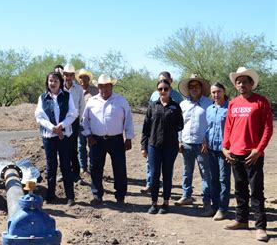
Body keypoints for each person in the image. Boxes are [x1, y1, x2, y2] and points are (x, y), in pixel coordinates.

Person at [222, 67, 273, 242]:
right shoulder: (233, 103)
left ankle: (260, 226)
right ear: (235, 85)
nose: (241, 84)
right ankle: (242, 220)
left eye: (245, 81)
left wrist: (259, 149)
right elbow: (228, 127)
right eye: (238, 82)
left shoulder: (261, 102)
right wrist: (225, 147)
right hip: (235, 153)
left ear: (252, 83)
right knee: (239, 189)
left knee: (256, 191)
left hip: (253, 154)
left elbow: (268, 128)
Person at [82, 74, 134, 205]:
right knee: (95, 168)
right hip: (96, 140)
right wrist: (89, 136)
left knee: (119, 168)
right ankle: (97, 195)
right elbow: (84, 121)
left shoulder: (121, 101)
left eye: (106, 86)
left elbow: (128, 120)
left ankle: (120, 196)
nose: (104, 89)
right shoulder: (91, 102)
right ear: (97, 87)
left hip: (116, 140)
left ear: (111, 86)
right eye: (101, 86)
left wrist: (128, 138)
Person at [35, 71, 78, 206]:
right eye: (50, 81)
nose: (52, 83)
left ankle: (70, 196)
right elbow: (39, 116)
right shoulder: (42, 98)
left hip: (64, 136)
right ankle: (50, 195)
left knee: (65, 165)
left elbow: (73, 113)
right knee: (51, 165)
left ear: (60, 82)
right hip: (49, 136)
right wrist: (52, 127)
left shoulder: (67, 96)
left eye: (55, 81)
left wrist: (61, 125)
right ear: (47, 83)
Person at [141, 78, 183, 214]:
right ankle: (154, 203)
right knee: (154, 175)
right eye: (160, 89)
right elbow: (145, 128)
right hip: (154, 146)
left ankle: (165, 202)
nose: (163, 91)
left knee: (167, 174)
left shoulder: (175, 106)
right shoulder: (152, 106)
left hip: (170, 147)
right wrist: (143, 146)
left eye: (166, 88)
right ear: (157, 91)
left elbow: (180, 125)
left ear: (170, 90)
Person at [174, 74, 213, 217]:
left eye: (196, 86)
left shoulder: (209, 104)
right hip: (186, 143)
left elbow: (212, 124)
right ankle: (187, 195)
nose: (194, 89)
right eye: (191, 87)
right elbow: (179, 125)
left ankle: (207, 201)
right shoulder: (183, 105)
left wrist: (206, 140)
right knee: (186, 171)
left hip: (202, 145)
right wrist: (179, 141)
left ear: (201, 88)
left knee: (205, 174)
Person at [205, 82, 230, 221]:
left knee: (224, 179)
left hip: (224, 149)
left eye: (218, 91)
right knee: (213, 178)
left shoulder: (230, 108)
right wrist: (204, 140)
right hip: (211, 148)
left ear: (224, 91)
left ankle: (223, 209)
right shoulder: (210, 108)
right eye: (213, 92)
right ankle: (214, 206)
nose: (216, 94)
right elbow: (208, 127)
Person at [62, 64, 85, 182]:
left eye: (70, 75)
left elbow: (82, 106)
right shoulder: (59, 88)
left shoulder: (78, 89)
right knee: (62, 147)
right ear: (63, 75)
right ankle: (64, 173)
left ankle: (76, 173)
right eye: (66, 74)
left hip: (74, 121)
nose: (68, 77)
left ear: (73, 75)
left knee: (73, 147)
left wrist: (79, 121)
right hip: (61, 121)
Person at [76, 68, 98, 176]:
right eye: (80, 77)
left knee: (92, 145)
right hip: (80, 122)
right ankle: (83, 167)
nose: (82, 79)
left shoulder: (95, 90)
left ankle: (93, 166)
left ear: (89, 79)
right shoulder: (76, 91)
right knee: (81, 145)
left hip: (93, 122)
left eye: (85, 77)